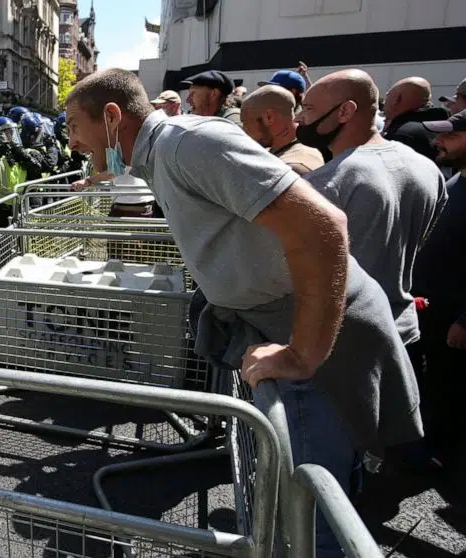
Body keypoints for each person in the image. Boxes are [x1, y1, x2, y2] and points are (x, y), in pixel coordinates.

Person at [65, 68, 421, 558]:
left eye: (72, 125)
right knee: (317, 497)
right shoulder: (161, 152)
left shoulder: (187, 143)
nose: (71, 141)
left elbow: (323, 226)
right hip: (293, 323)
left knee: (312, 520)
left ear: (110, 117)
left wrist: (302, 353)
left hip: (308, 333)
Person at [298, 69, 446, 345]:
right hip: (402, 330)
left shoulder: (328, 182)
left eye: (308, 108)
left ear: (345, 111)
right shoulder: (425, 167)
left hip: (343, 340)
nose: (300, 117)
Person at [409, 109, 466, 470]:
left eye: (450, 136)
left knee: (451, 392)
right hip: (431, 313)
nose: (438, 142)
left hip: (455, 322)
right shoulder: (453, 180)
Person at [0, 116, 45, 228]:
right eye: (6, 133)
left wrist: (23, 154)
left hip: (19, 207)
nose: (11, 136)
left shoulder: (23, 153)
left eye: (12, 132)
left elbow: (36, 170)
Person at [241, 85, 324, 174]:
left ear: (269, 117)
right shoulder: (279, 152)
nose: (244, 130)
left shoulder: (292, 168)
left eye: (246, 122)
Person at [382, 77, 450, 161]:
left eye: (388, 94)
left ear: (397, 99)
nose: (384, 101)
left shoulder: (401, 136)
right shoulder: (444, 128)